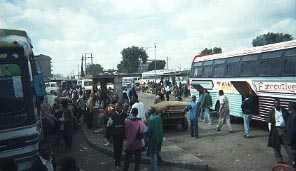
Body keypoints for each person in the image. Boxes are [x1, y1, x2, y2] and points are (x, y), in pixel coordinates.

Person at [268, 98, 294, 165]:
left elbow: (289, 119)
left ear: (280, 103)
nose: (276, 105)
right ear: (274, 104)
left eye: (277, 103)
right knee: (276, 146)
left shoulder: (284, 110)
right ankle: (279, 160)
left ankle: (293, 160)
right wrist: (270, 131)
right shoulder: (271, 112)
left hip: (284, 130)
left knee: (287, 146)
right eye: (275, 104)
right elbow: (269, 122)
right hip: (275, 130)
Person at [147, 107, 163, 171]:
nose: (148, 112)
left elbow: (150, 131)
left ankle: (154, 168)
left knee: (153, 155)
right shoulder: (158, 117)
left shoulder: (150, 119)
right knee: (156, 152)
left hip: (153, 139)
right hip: (159, 138)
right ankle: (152, 167)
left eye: (149, 111)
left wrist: (147, 139)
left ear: (151, 112)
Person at [110, 103, 126, 169]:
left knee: (120, 148)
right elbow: (109, 125)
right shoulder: (113, 115)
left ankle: (117, 159)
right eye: (115, 107)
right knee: (116, 148)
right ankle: (117, 163)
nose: (116, 108)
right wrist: (110, 135)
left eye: (117, 107)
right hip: (115, 135)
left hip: (122, 135)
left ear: (121, 107)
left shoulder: (124, 115)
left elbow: (126, 125)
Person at [287, 102, 296, 167]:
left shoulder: (293, 116)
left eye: (289, 106)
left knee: (294, 153)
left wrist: (290, 141)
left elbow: (293, 130)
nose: (288, 108)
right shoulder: (292, 115)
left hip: (294, 140)